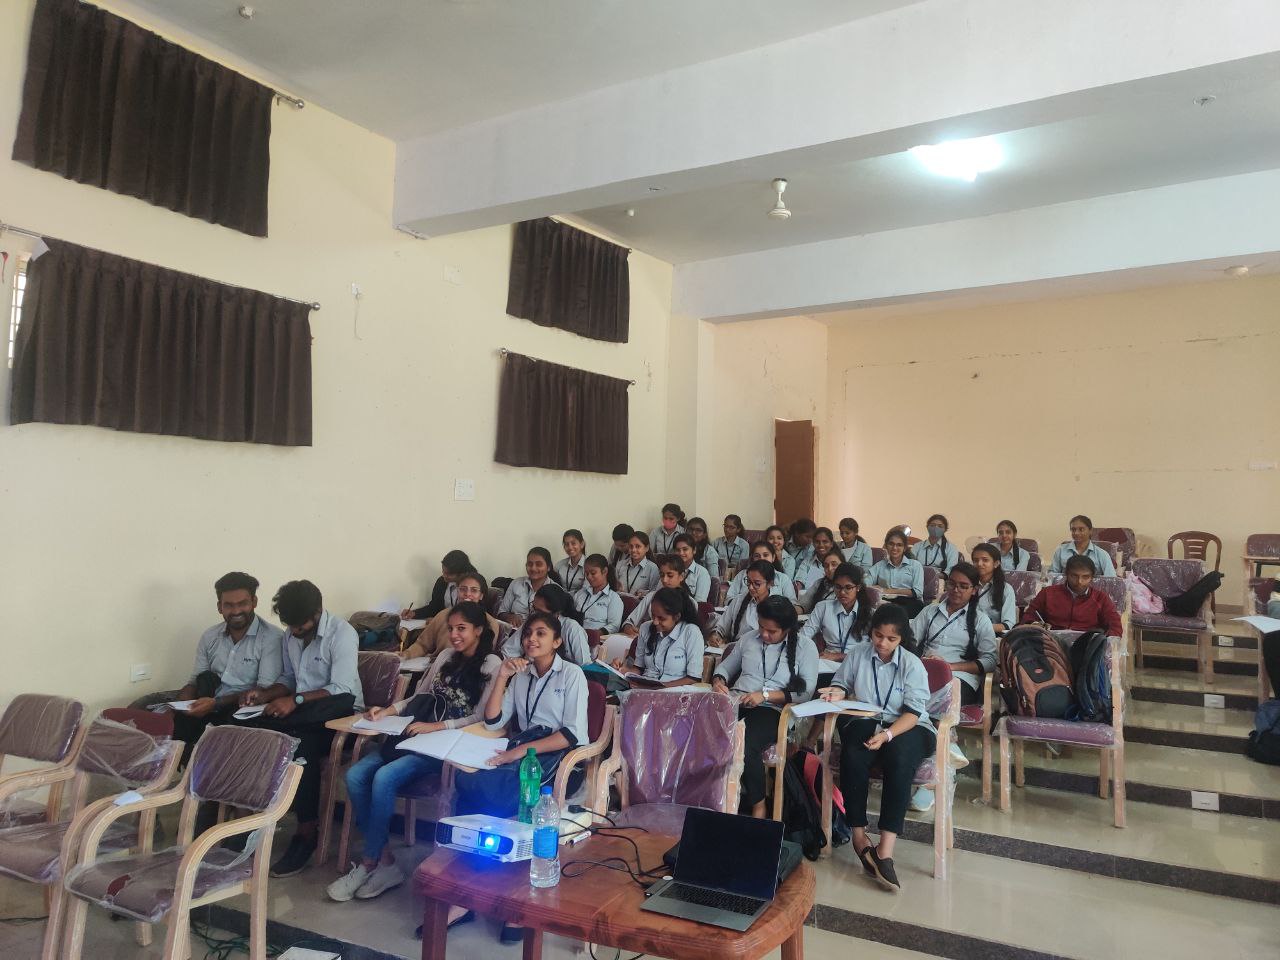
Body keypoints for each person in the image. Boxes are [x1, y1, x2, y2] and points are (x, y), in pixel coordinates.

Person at [328, 602, 501, 910]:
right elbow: (419, 696)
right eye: (451, 629)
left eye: (462, 629)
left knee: (384, 777)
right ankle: (385, 860)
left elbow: (479, 717)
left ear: (478, 630)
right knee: (355, 775)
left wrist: (437, 727)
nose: (454, 635)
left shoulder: (491, 664)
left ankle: (368, 863)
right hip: (416, 733)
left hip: (444, 744)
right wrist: (387, 711)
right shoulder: (446, 656)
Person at [454, 611, 590, 944]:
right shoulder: (522, 674)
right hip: (525, 756)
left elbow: (571, 734)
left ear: (557, 641)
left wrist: (518, 752)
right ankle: (466, 893)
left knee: (501, 799)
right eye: (528, 633)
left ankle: (514, 902)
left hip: (561, 760)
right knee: (467, 788)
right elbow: (493, 720)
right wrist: (502, 676)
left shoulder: (572, 675)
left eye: (541, 633)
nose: (531, 639)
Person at [236, 580, 363, 878]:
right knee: (249, 728)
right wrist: (265, 695)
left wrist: (295, 700)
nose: (294, 631)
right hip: (303, 714)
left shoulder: (342, 633)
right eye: (289, 625)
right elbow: (288, 678)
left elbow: (342, 688)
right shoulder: (290, 636)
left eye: (300, 625)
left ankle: (307, 831)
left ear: (317, 612)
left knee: (299, 746)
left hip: (341, 716)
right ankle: (249, 820)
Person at [819, 604, 935, 893]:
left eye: (891, 639)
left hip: (909, 724)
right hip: (868, 718)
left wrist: (887, 735)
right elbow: (841, 682)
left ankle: (885, 850)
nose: (882, 643)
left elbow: (913, 713)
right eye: (878, 635)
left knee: (899, 757)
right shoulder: (858, 654)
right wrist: (837, 692)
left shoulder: (912, 664)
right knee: (853, 754)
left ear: (901, 639)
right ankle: (859, 835)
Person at [713, 595, 818, 817]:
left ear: (787, 629)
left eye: (772, 631)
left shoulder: (806, 647)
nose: (764, 634)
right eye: (761, 627)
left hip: (773, 710)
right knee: (706, 733)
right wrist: (719, 681)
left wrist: (765, 695)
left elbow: (805, 693)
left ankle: (758, 805)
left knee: (744, 741)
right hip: (737, 702)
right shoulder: (748, 639)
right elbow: (725, 668)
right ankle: (712, 798)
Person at [167, 572, 284, 764]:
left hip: (243, 711)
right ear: (219, 607)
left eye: (242, 603)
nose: (236, 611)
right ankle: (175, 777)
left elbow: (263, 690)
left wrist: (216, 703)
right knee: (165, 728)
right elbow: (194, 680)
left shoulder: (272, 638)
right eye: (229, 605)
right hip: (208, 703)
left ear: (254, 602)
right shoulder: (210, 636)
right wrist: (177, 706)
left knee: (213, 742)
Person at [612, 587, 705, 687]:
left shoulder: (691, 632)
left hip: (675, 691)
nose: (655, 622)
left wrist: (661, 686)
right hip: (645, 687)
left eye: (661, 618)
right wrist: (623, 670)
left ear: (677, 617)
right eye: (653, 616)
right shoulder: (645, 628)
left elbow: (693, 678)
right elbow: (638, 669)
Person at [400, 572, 504, 661]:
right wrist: (405, 655)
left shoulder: (490, 623)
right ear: (457, 592)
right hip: (435, 666)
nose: (467, 594)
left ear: (481, 595)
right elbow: (422, 645)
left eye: (474, 590)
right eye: (463, 589)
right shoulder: (443, 615)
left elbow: (483, 657)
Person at [800, 563, 872, 681]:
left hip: (858, 664)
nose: (842, 592)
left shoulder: (870, 614)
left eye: (848, 587)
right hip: (827, 664)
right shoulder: (823, 607)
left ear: (858, 587)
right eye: (838, 587)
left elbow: (873, 651)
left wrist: (839, 656)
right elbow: (804, 637)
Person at [1021, 555, 1122, 635]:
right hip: (1051, 644)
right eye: (1074, 576)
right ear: (1066, 574)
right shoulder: (1048, 593)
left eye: (1085, 577)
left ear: (1092, 577)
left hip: (1087, 646)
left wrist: (1103, 642)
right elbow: (1028, 616)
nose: (1079, 582)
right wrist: (1035, 624)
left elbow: (1116, 627)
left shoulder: (1101, 598)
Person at [502, 584, 591, 665]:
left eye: (540, 612)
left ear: (556, 614)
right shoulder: (531, 623)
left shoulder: (572, 628)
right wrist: (515, 664)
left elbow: (585, 666)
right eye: (534, 608)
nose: (535, 615)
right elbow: (508, 652)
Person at [621, 555, 695, 636]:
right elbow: (629, 621)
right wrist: (629, 628)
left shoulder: (690, 603)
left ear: (682, 576)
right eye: (662, 575)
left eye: (670, 576)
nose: (664, 580)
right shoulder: (651, 596)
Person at [710, 559, 776, 647]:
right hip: (735, 647)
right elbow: (721, 626)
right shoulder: (739, 600)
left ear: (770, 583)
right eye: (748, 582)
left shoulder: (777, 606)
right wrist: (716, 635)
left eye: (757, 584)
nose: (751, 587)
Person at [866, 528, 925, 617]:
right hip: (885, 602)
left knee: (899, 611)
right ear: (886, 546)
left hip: (910, 603)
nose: (894, 548)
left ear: (904, 548)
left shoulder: (915, 565)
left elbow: (917, 592)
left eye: (899, 545)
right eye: (891, 544)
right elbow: (865, 583)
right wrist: (873, 587)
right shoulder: (879, 565)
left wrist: (888, 590)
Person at [402, 550, 474, 621]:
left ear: (462, 573)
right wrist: (414, 613)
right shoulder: (441, 582)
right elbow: (434, 607)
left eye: (449, 574)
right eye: (443, 571)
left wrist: (439, 620)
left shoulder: (474, 586)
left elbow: (472, 615)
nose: (444, 576)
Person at [499, 547, 561, 627]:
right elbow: (501, 612)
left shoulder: (556, 590)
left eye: (538, 564)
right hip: (514, 630)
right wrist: (509, 617)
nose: (533, 568)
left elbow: (557, 622)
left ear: (548, 567)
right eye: (530, 564)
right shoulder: (516, 583)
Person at [726, 543, 798, 603]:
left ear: (773, 557)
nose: (761, 559)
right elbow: (729, 598)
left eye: (765, 555)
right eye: (757, 556)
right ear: (752, 558)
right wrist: (740, 605)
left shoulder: (783, 578)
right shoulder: (742, 575)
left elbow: (792, 604)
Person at [1048, 515, 1117, 577]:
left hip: (1093, 587)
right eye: (1073, 529)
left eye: (1081, 529)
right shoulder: (1061, 550)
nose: (1076, 533)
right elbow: (1052, 575)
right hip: (1065, 587)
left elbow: (1111, 579)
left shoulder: (1101, 554)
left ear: (1090, 530)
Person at [971, 544, 1017, 635]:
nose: (979, 564)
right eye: (976, 560)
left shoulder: (1006, 589)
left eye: (985, 560)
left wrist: (980, 628)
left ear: (996, 563)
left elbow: (1008, 624)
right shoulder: (966, 585)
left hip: (992, 635)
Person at [574, 554, 624, 634]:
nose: (589, 577)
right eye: (586, 573)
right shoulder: (580, 594)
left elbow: (614, 626)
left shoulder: (613, 598)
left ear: (605, 571)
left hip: (597, 638)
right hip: (576, 634)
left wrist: (595, 633)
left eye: (593, 573)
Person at [615, 531, 661, 595]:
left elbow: (654, 593)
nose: (633, 550)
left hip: (641, 601)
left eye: (638, 546)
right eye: (631, 546)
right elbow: (615, 586)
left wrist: (644, 593)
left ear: (647, 548)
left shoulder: (653, 568)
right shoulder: (620, 564)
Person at [795, 526, 838, 593]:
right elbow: (799, 580)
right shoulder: (808, 561)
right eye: (817, 542)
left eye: (825, 541)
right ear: (813, 544)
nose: (821, 545)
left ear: (831, 544)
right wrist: (798, 589)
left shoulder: (839, 562)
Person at [671, 533, 712, 602]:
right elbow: (658, 594)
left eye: (685, 549)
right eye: (678, 550)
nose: (681, 553)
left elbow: (700, 601)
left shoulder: (702, 573)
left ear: (694, 550)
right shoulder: (669, 569)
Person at [685, 517, 722, 582]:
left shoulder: (710, 552)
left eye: (698, 530)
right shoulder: (680, 548)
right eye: (690, 529)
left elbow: (714, 579)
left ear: (704, 535)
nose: (693, 533)